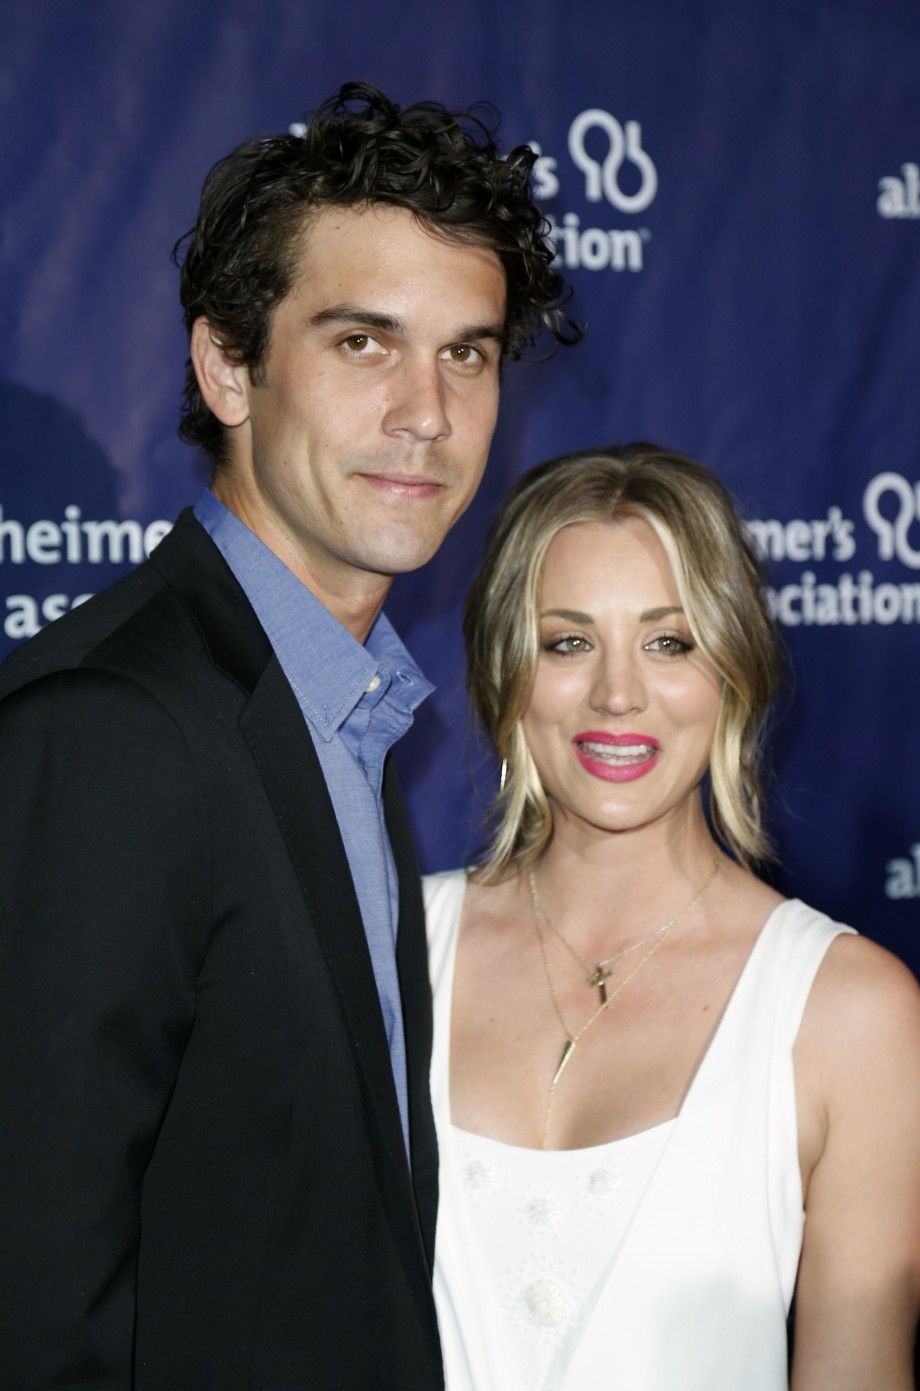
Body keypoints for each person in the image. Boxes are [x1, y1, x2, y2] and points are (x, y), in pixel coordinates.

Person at [0, 83, 576, 1388]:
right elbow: (33, 1300)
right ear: (226, 363)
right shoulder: (113, 732)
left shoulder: (336, 705)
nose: (427, 411)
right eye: (364, 343)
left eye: (468, 351)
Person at [423, 442, 920, 1390]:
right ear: (506, 671)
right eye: (567, 641)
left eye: (670, 642)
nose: (618, 694)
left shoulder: (850, 1014)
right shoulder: (388, 948)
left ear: (733, 671)